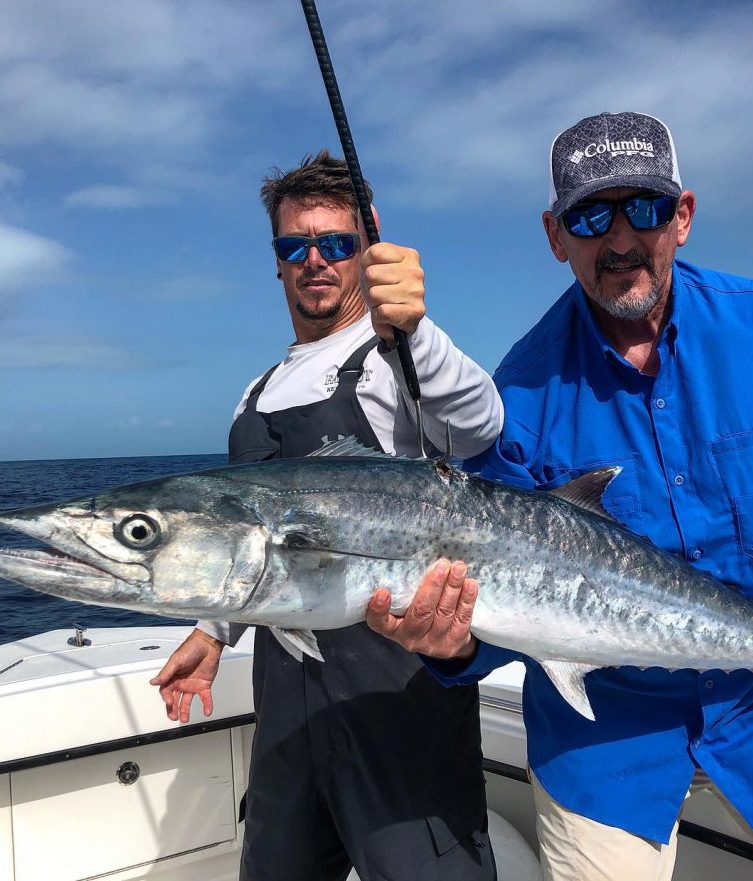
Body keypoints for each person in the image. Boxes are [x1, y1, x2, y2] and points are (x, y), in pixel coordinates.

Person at [367, 112, 753, 881]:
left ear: (683, 216)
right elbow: (501, 598)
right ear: (554, 235)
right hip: (604, 740)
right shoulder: (519, 399)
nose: (619, 239)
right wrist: (456, 643)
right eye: (588, 216)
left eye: (643, 208)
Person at [151, 150, 502, 881]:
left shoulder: (391, 363)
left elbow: (479, 424)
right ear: (276, 261)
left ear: (365, 248)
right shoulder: (255, 391)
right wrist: (215, 630)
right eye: (295, 246)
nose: (315, 260)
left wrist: (415, 328)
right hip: (288, 711)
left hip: (399, 704)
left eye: (337, 243)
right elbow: (251, 548)